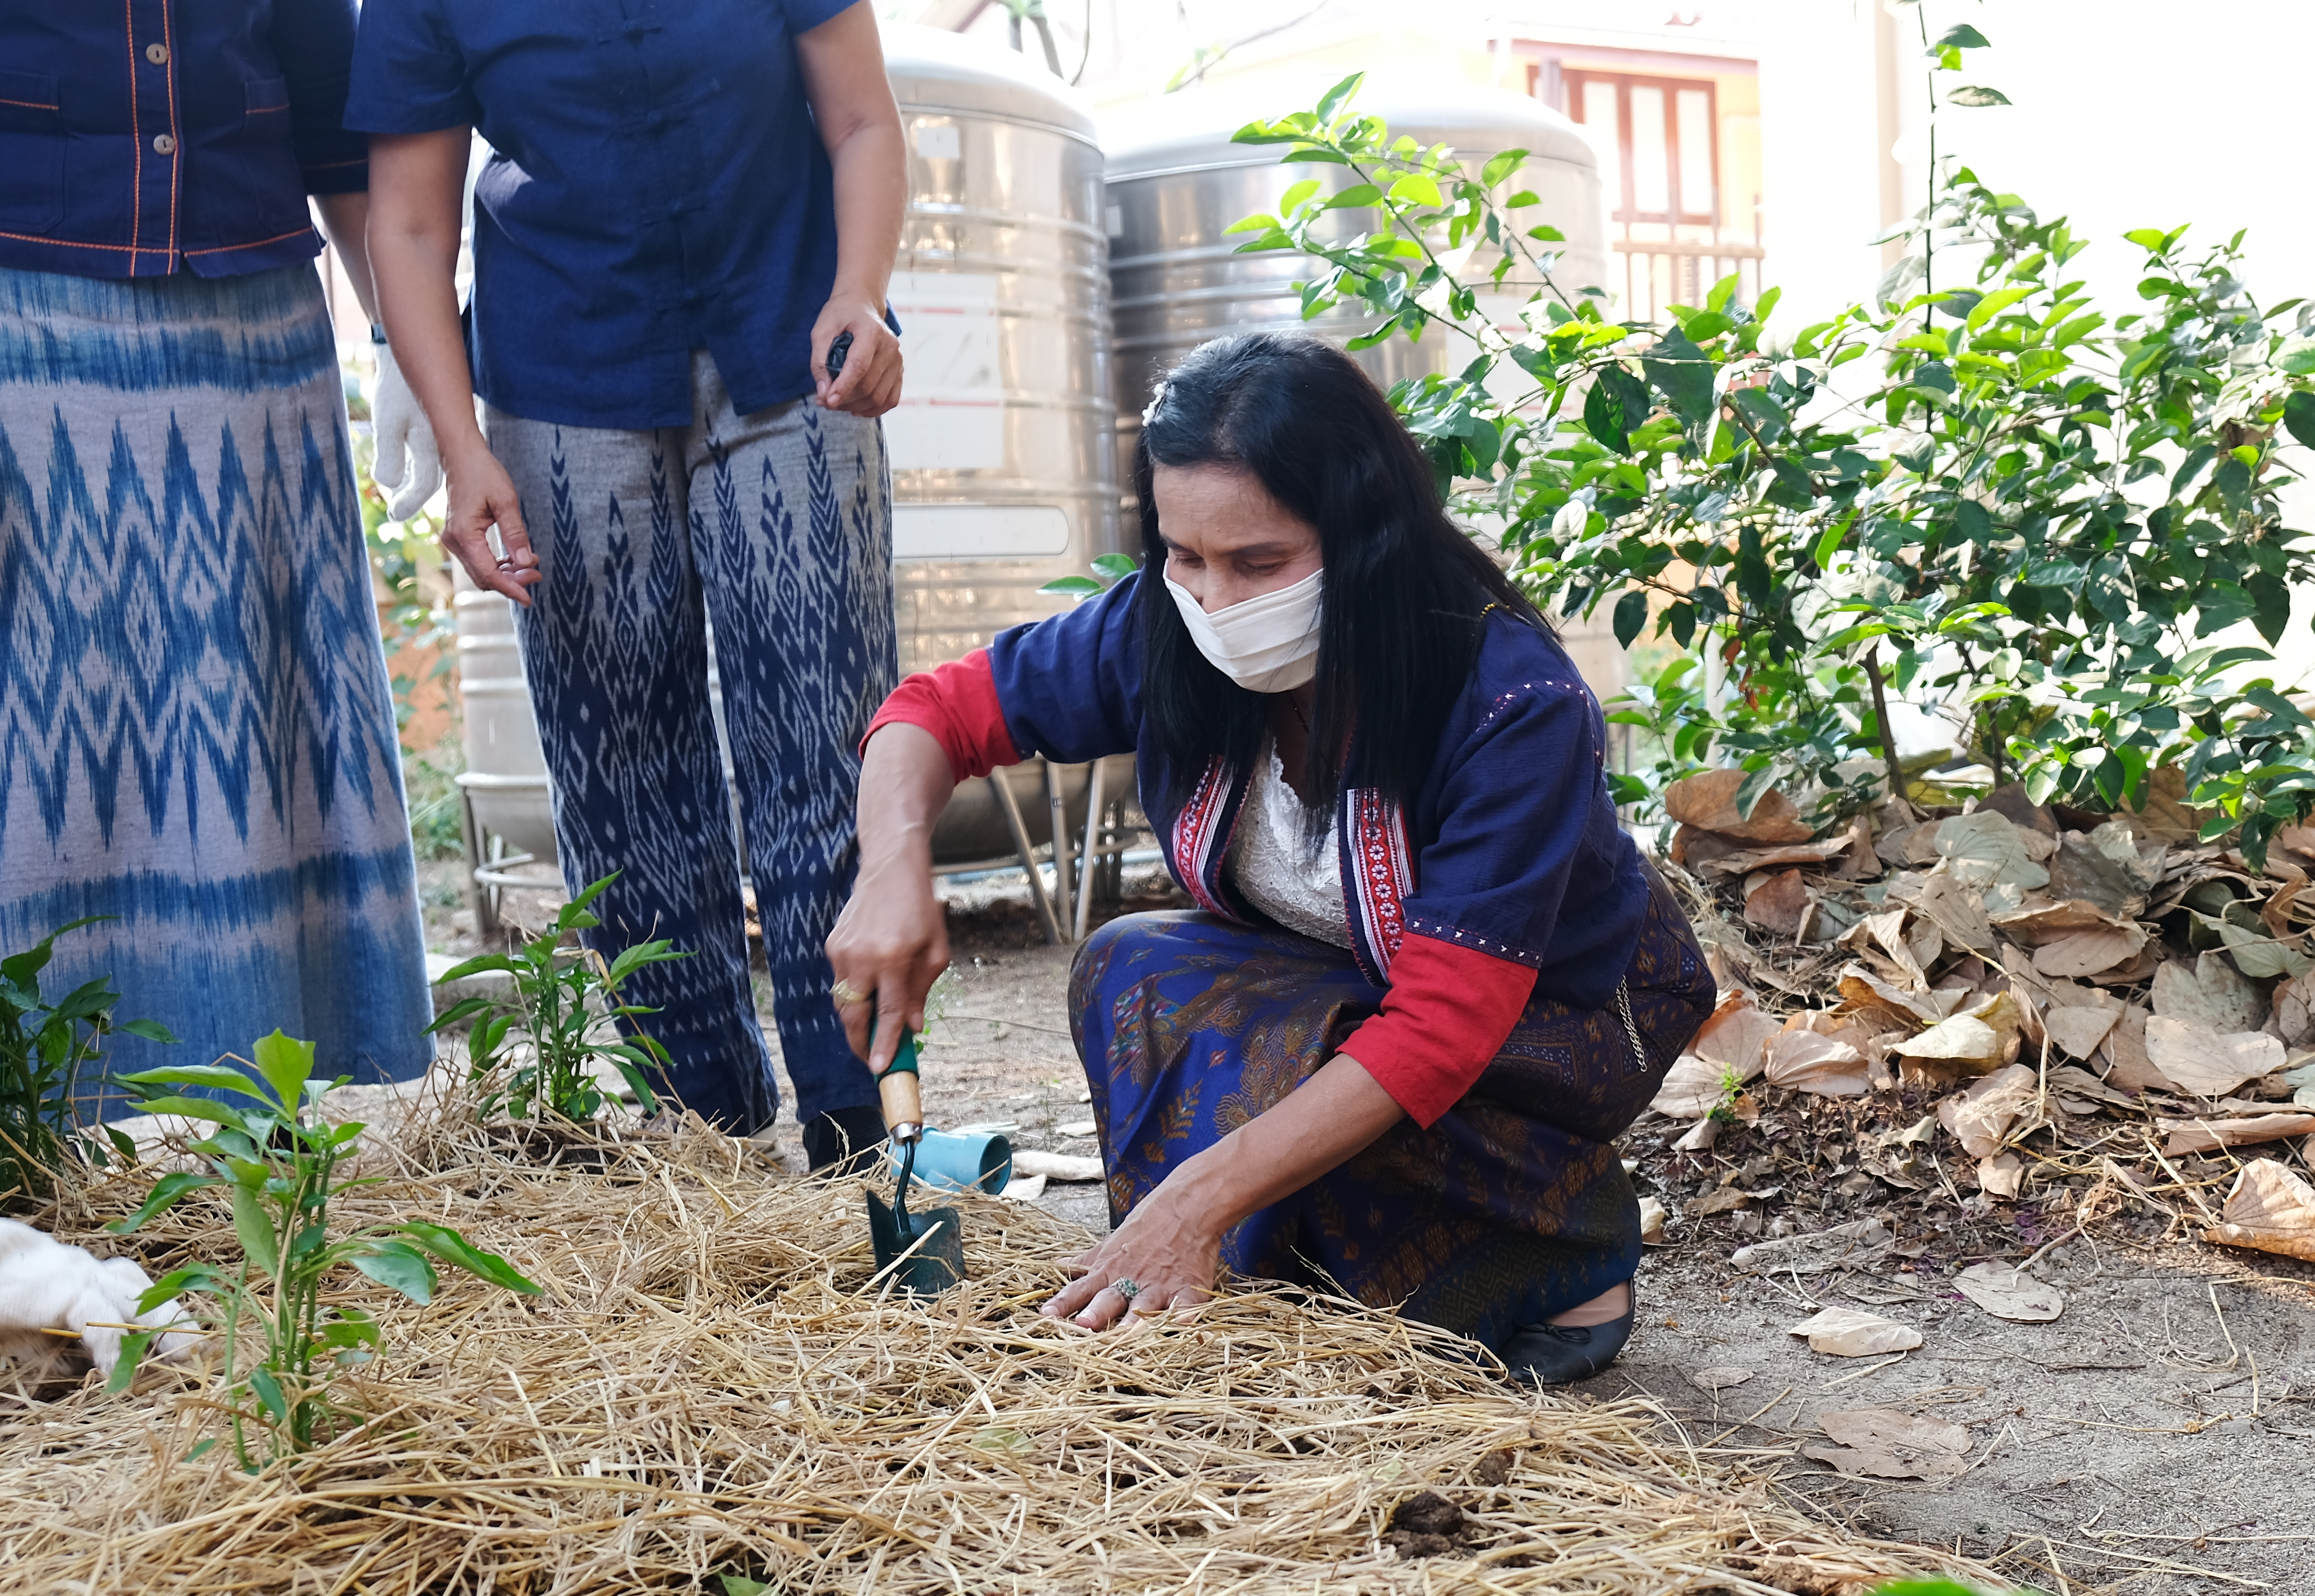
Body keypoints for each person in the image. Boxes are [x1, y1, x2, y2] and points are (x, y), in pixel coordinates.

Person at [827, 333, 1713, 1384]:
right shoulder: (1166, 627)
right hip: (1366, 988)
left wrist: (1197, 1194)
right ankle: (1234, 1266)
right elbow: (935, 712)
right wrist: (892, 866)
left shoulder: (1510, 702)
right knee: (1139, 968)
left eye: (1262, 563)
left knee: (1316, 1091)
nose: (1217, 599)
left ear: (1367, 535)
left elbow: (1435, 1029)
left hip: (1562, 1019)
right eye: (1186, 555)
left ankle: (1567, 1248)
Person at [349, 0, 910, 1158]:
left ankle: (865, 1132)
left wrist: (862, 286)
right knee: (621, 764)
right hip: (565, 369)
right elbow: (407, 228)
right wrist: (463, 449)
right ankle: (705, 1131)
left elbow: (859, 117)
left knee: (825, 737)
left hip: (793, 340)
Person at [0, 0, 434, 1085]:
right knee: (44, 728)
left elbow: (336, 133)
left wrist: (403, 342)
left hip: (255, 342)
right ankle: (43, 1116)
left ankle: (259, 1097)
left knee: (248, 716)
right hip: (28, 341)